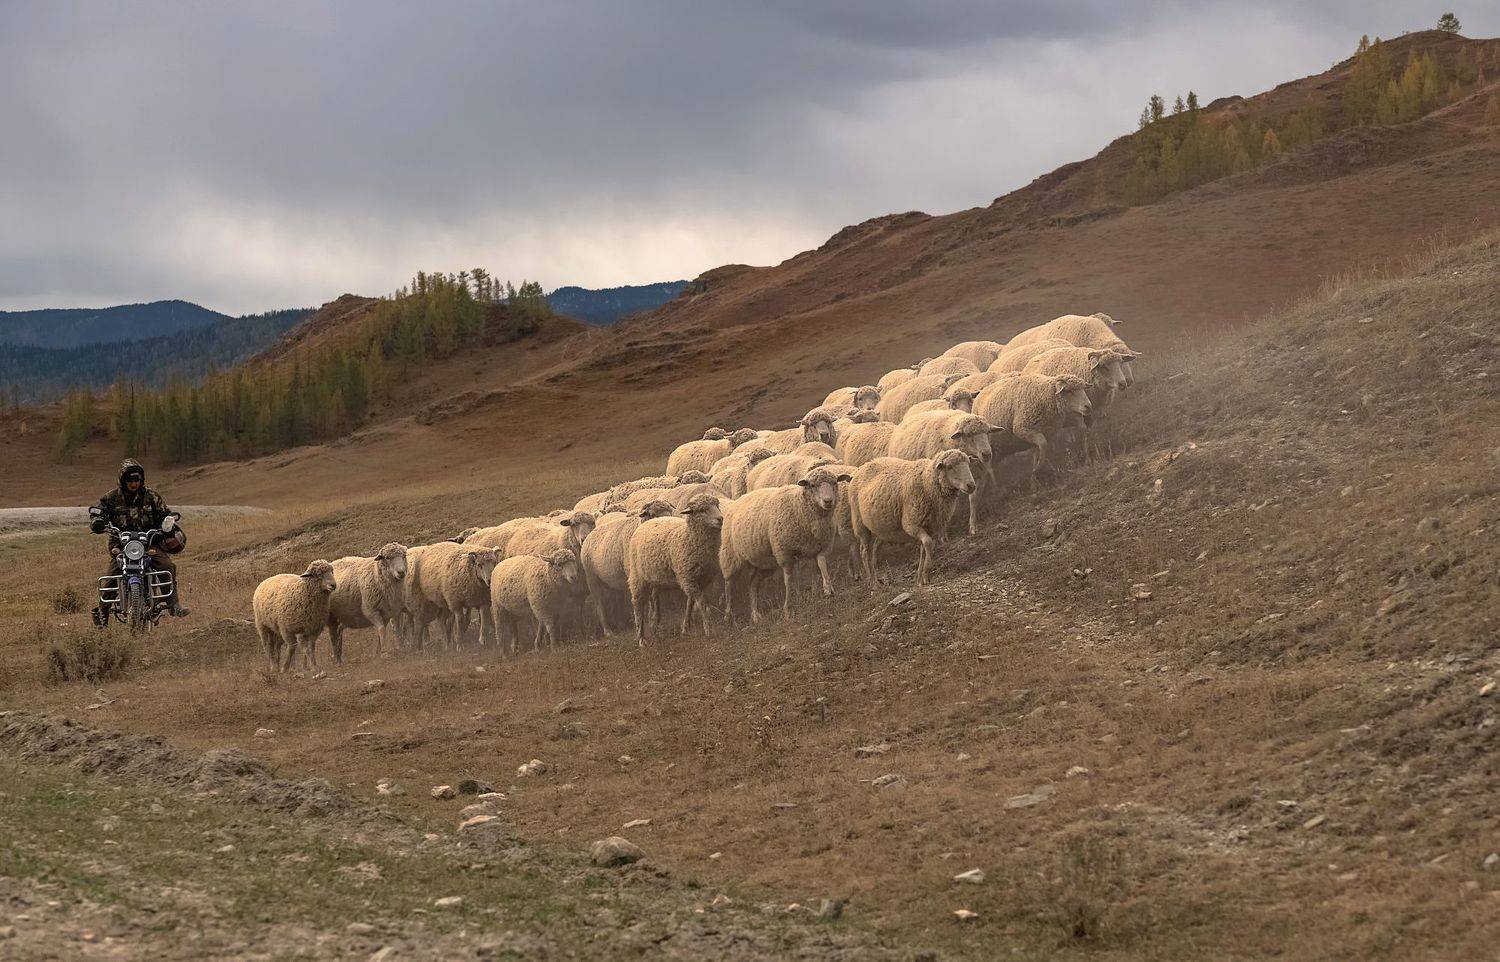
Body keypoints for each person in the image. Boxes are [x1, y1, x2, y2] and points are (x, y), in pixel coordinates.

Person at [93, 458, 189, 617]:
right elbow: (99, 512)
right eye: (129, 479)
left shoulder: (152, 496)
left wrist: (168, 521)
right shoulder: (110, 498)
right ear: (122, 480)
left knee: (167, 566)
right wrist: (97, 522)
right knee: (111, 578)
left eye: (137, 479)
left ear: (141, 479)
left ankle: (173, 605)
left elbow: (166, 513)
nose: (133, 483)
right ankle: (102, 616)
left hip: (149, 542)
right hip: (122, 545)